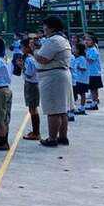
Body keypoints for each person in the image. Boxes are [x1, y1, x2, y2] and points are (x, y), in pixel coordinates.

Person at [35, 16, 72, 148]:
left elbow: (43, 59)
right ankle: (62, 137)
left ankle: (52, 138)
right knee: (62, 109)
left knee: (53, 110)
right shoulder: (62, 39)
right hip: (60, 75)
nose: (44, 29)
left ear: (51, 27)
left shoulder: (53, 40)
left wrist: (33, 50)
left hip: (53, 77)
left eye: (45, 26)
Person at [20, 38, 41, 141]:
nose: (21, 49)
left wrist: (21, 66)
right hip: (32, 84)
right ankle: (35, 131)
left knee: (33, 109)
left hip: (31, 85)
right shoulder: (31, 58)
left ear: (27, 48)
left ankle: (36, 132)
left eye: (22, 47)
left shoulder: (29, 59)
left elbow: (29, 74)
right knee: (32, 108)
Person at [83, 33, 104, 110]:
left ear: (93, 42)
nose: (86, 41)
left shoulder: (94, 50)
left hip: (94, 73)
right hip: (91, 73)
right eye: (86, 40)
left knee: (93, 89)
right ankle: (95, 100)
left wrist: (83, 54)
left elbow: (90, 60)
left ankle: (94, 103)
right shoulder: (89, 49)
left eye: (88, 40)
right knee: (93, 89)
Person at [71, 40, 90, 115]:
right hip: (78, 79)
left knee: (82, 94)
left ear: (79, 50)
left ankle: (82, 108)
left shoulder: (82, 58)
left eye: (74, 49)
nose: (73, 50)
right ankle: (75, 107)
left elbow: (83, 68)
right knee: (76, 94)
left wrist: (77, 67)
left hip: (82, 80)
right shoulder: (76, 57)